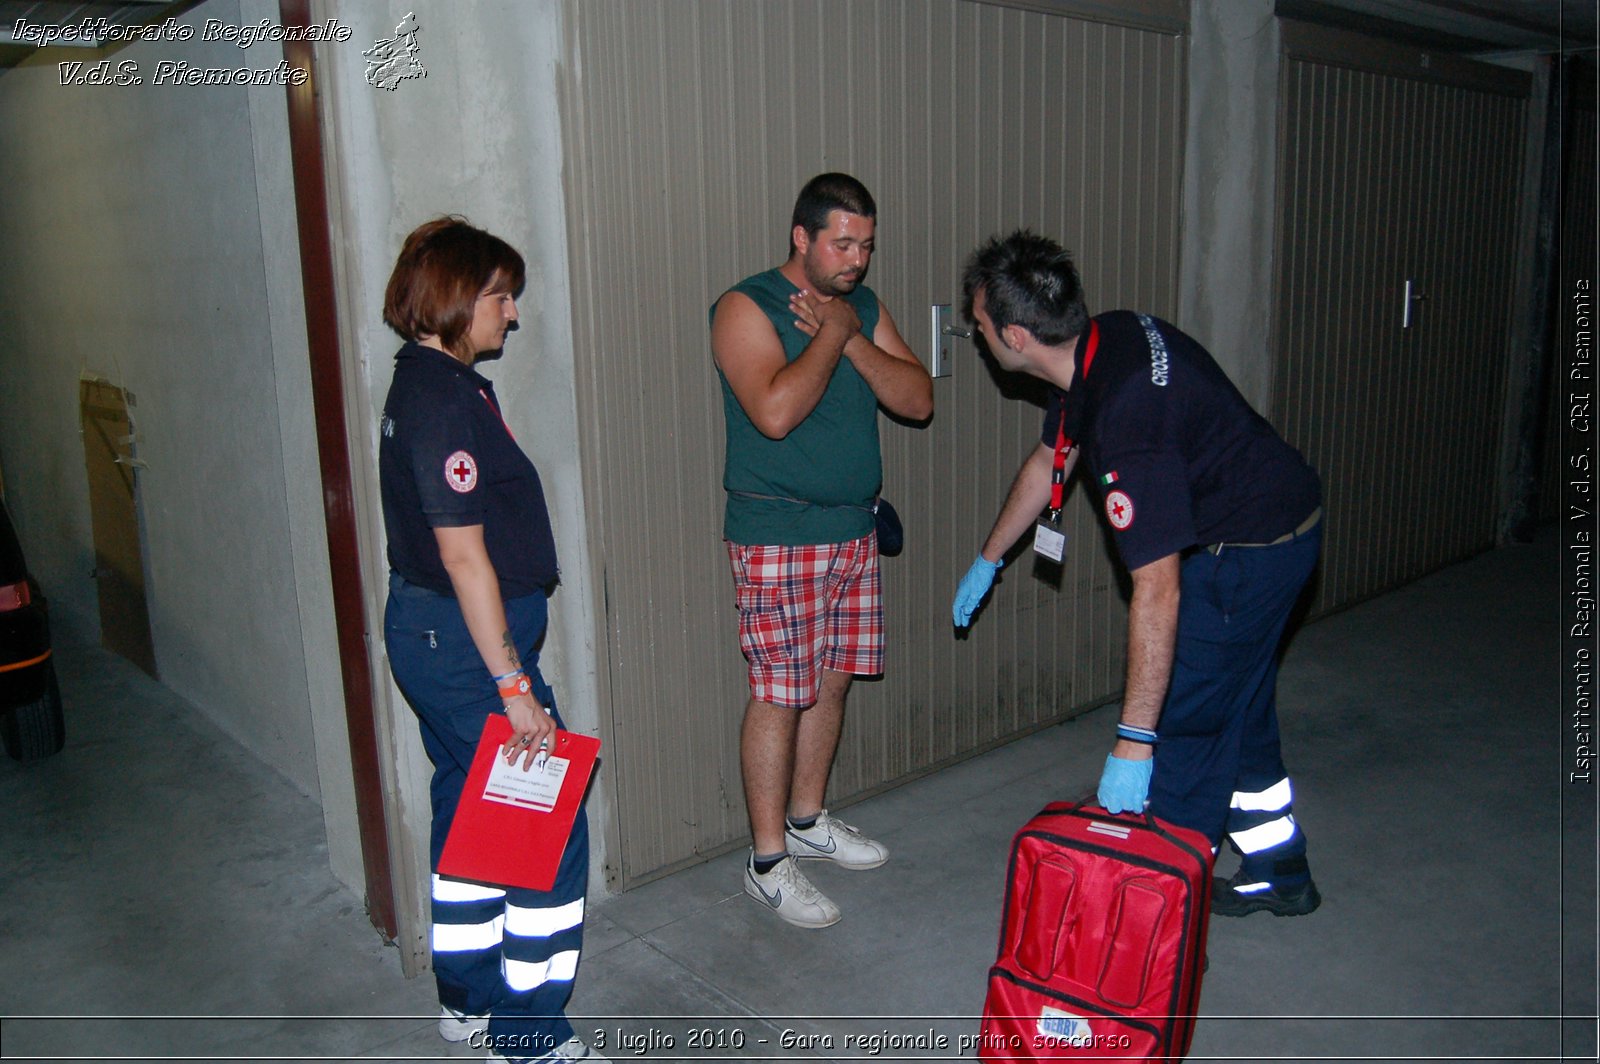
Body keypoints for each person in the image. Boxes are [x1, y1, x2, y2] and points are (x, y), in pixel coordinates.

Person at [952, 230, 1324, 919]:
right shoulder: (1106, 342)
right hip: (1277, 521)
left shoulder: (1128, 418)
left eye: (979, 326)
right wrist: (990, 556)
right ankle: (1281, 866)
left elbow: (1157, 588)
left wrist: (1133, 741)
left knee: (1185, 731)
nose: (976, 337)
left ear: (1016, 336)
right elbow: (1050, 462)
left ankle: (1147, 931)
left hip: (1249, 553)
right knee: (1237, 704)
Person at [379, 217, 607, 1063]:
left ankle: (469, 1002)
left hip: (442, 638)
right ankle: (528, 1033)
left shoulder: (437, 382)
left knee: (472, 812)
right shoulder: (439, 396)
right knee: (542, 823)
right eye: (499, 297)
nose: (511, 314)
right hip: (467, 646)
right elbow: (464, 555)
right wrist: (515, 691)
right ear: (453, 298)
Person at [710, 173, 933, 928]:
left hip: (854, 530)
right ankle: (767, 862)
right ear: (801, 236)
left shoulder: (860, 308)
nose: (857, 258)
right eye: (842, 241)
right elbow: (773, 412)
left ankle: (808, 821)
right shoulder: (746, 306)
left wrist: (849, 336)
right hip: (779, 534)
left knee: (831, 682)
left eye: (866, 244)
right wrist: (830, 340)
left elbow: (917, 398)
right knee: (780, 690)